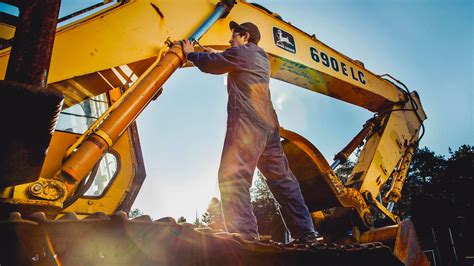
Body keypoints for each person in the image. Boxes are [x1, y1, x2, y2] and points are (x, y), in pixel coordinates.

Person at [182, 21, 318, 243]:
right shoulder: (259, 57)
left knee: (232, 176)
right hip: (270, 128)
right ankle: (306, 234)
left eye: (233, 37)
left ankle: (243, 236)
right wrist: (221, 53)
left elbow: (213, 65)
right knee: (282, 180)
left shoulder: (242, 53)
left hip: (247, 122)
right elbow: (230, 58)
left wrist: (191, 54)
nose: (229, 40)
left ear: (245, 36)